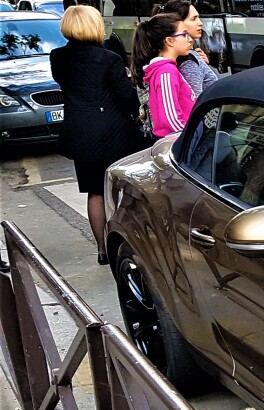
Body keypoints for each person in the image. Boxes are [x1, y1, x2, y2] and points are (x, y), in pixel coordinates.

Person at [49, 5, 141, 265]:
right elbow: (126, 97)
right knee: (121, 189)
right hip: (114, 132)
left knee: (95, 192)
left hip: (81, 133)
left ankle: (101, 249)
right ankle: (126, 242)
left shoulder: (58, 57)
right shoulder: (109, 58)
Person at [132, 13, 197, 138]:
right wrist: (190, 138)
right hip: (179, 141)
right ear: (169, 41)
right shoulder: (166, 71)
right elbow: (170, 119)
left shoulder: (168, 68)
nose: (189, 39)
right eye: (184, 34)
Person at [152, 0, 219, 96]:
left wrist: (202, 65)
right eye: (193, 19)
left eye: (198, 18)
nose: (200, 23)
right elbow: (195, 101)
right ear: (178, 23)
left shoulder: (189, 55)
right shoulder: (187, 62)